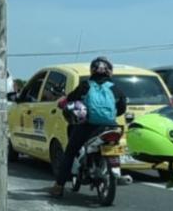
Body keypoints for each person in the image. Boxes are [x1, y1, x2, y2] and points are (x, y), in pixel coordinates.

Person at [48, 56, 126, 198]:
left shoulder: (85, 86)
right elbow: (122, 109)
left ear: (92, 70)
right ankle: (116, 171)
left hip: (88, 126)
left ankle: (59, 186)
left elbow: (68, 100)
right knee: (115, 147)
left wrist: (62, 103)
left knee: (70, 152)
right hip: (110, 126)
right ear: (109, 71)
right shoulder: (116, 89)